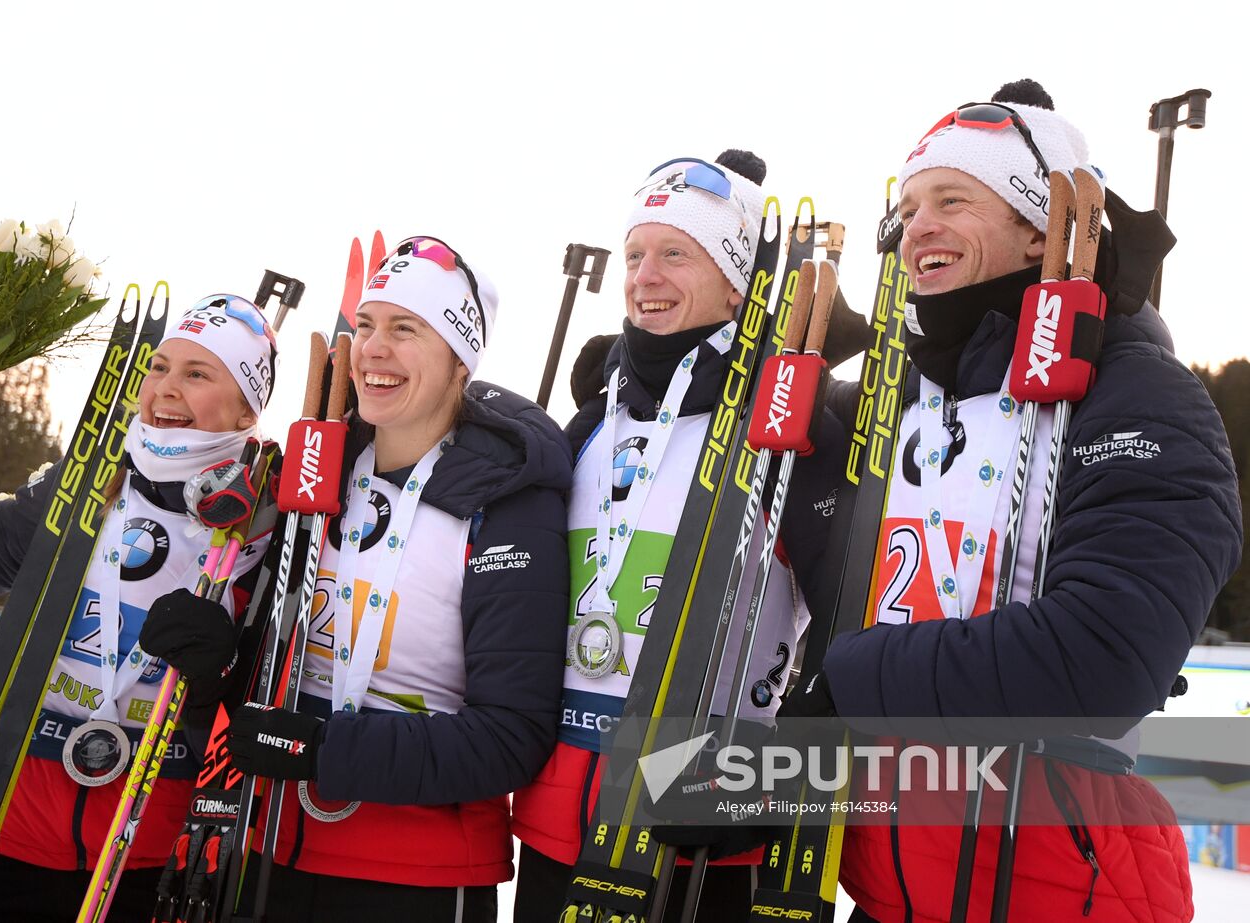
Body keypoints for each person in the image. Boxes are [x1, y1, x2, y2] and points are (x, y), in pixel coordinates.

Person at [780, 80, 1243, 923]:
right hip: (890, 883)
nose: (915, 227)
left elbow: (1098, 661)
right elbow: (845, 589)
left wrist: (843, 681)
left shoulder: (1140, 396)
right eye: (910, 206)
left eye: (952, 200)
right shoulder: (914, 405)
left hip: (1060, 886)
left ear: (1042, 230)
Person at [187, 236, 572, 922]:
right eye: (365, 325)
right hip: (270, 850)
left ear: (460, 358)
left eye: (405, 328)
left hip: (418, 879)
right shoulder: (320, 470)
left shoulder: (512, 503)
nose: (372, 348)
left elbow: (513, 734)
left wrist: (328, 748)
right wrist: (216, 655)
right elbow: (269, 665)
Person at [0, 293, 281, 921]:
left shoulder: (268, 529)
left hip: (149, 859)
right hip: (5, 830)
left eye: (198, 374)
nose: (167, 389)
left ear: (247, 407)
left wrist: (215, 680)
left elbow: (267, 703)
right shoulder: (82, 487)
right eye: (160, 367)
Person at [510, 151, 839, 921]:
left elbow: (844, 644)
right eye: (634, 255)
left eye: (674, 254)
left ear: (735, 282)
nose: (644, 276)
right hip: (563, 823)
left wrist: (764, 779)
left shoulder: (789, 433)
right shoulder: (591, 424)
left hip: (700, 833)